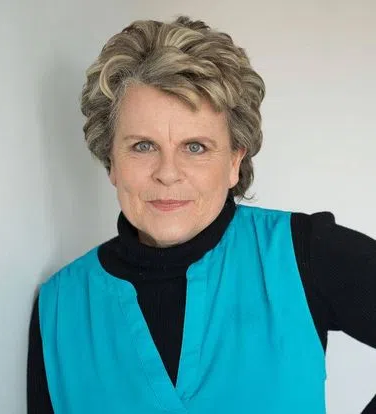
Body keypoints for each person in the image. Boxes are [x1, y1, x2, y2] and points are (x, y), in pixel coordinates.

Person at [27, 15, 376, 413]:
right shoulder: (60, 310)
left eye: (195, 147)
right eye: (142, 146)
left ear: (234, 162)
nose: (167, 173)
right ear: (112, 161)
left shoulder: (302, 255)